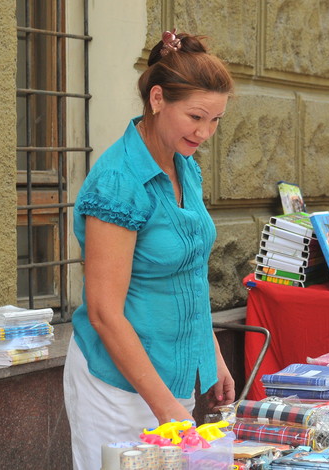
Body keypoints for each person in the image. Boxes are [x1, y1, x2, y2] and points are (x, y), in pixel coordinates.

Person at [63, 29, 235, 469]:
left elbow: (191, 274)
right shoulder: (119, 182)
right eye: (196, 117)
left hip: (172, 379)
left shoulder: (185, 167)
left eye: (215, 120)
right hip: (118, 390)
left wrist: (211, 356)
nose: (206, 132)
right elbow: (103, 311)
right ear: (157, 99)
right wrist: (166, 411)